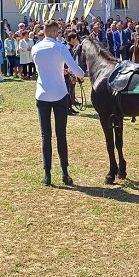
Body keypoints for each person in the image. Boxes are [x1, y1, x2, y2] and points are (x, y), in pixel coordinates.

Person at [31, 20, 85, 186]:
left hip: (42, 94)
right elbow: (77, 70)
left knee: (45, 135)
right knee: (61, 134)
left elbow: (44, 69)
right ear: (55, 32)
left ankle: (47, 174)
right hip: (59, 94)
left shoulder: (35, 48)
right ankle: (64, 172)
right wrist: (80, 75)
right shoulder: (60, 47)